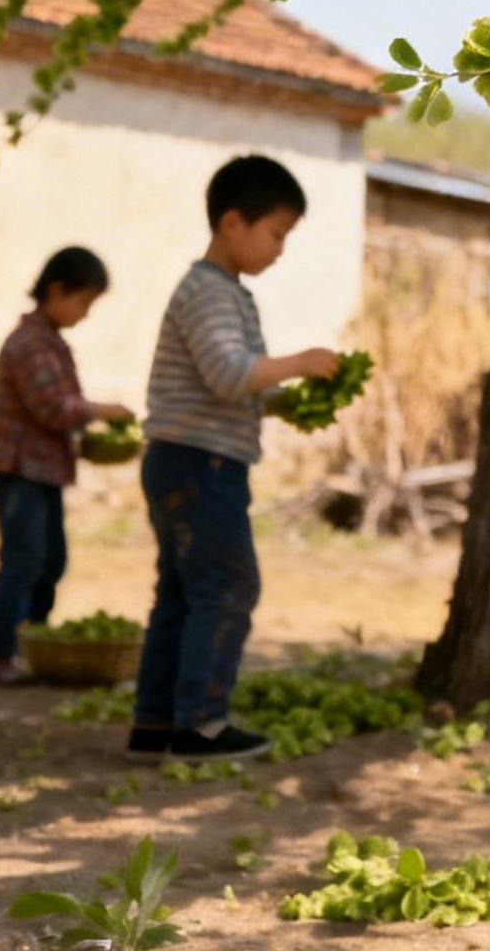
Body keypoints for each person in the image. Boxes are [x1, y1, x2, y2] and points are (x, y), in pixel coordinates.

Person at [126, 154, 341, 761]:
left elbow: (241, 382)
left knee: (182, 594)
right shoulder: (209, 293)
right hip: (201, 465)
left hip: (187, 460)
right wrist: (300, 362)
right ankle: (201, 724)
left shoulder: (228, 295)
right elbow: (228, 374)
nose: (280, 249)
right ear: (231, 223)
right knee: (227, 589)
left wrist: (285, 403)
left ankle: (156, 723)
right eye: (276, 234)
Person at [0, 246, 132, 686]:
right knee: (23, 560)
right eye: (82, 302)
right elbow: (52, 407)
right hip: (17, 468)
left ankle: (33, 643)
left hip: (43, 470)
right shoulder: (28, 343)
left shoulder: (52, 344)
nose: (84, 313)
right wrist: (105, 412)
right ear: (55, 290)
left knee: (51, 561)